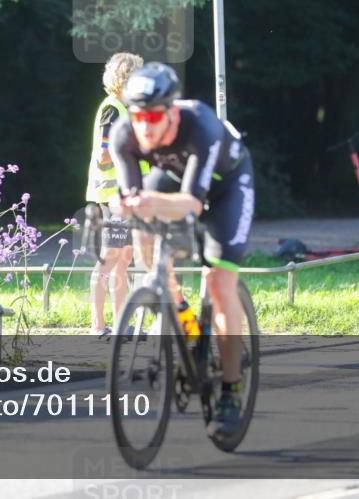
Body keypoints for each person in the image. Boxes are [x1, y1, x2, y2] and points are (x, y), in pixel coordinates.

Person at [109, 62, 254, 441]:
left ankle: (230, 391)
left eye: (154, 116)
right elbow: (129, 198)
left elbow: (191, 204)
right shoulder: (122, 134)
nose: (145, 125)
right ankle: (179, 311)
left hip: (226, 188)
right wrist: (126, 205)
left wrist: (143, 201)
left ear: (172, 112)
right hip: (173, 179)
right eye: (138, 116)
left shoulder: (201, 126)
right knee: (141, 229)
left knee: (219, 283)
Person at [85, 52, 145, 339]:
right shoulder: (112, 108)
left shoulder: (126, 109)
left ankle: (121, 324)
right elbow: (105, 154)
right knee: (110, 258)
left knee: (124, 259)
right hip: (112, 194)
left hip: (126, 194)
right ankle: (98, 325)